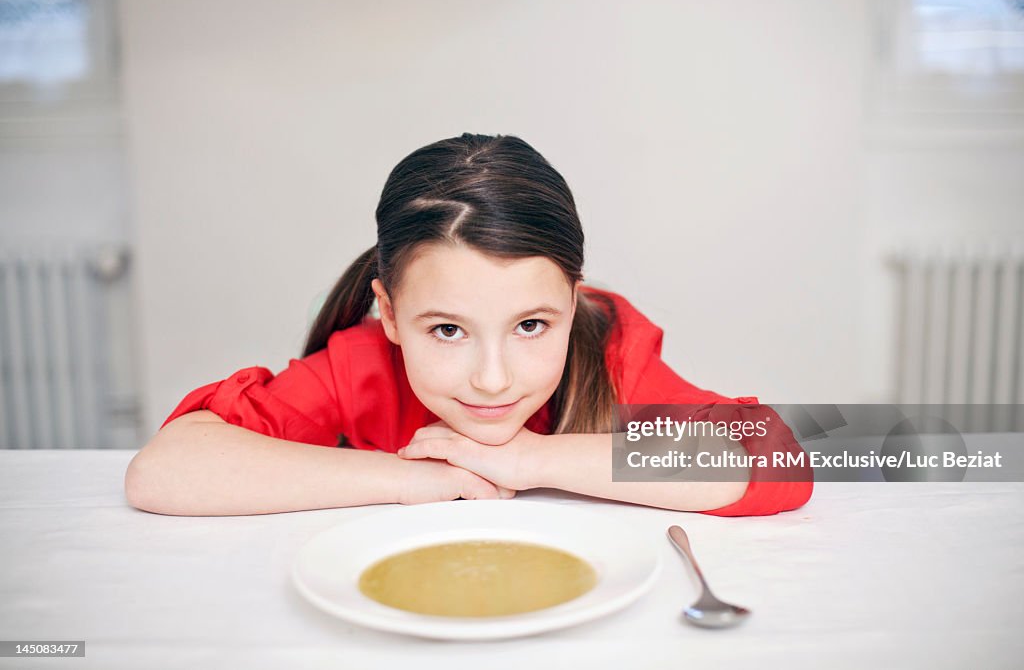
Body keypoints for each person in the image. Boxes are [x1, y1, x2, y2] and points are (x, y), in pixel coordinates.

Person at [125, 133, 812, 517]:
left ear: (573, 305)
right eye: (448, 331)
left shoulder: (609, 353)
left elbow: (777, 458)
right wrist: (412, 478)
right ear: (390, 314)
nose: (492, 378)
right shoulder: (360, 367)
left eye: (532, 325)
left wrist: (526, 460)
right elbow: (166, 470)